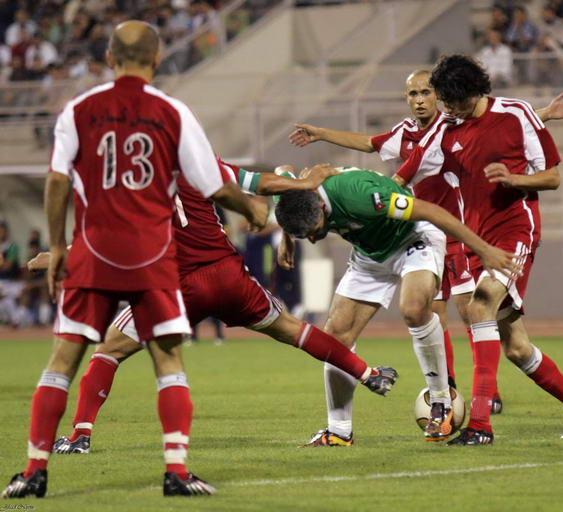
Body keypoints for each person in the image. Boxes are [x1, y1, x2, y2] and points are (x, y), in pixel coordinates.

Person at [2, 20, 270, 500]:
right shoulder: (173, 112)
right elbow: (213, 185)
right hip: (151, 257)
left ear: (109, 58)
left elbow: (57, 181)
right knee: (167, 359)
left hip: (94, 252)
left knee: (63, 358)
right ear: (157, 58)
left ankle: (33, 471)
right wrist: (251, 208)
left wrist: (60, 247)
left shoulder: (78, 110)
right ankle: (176, 471)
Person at [27, 161, 398, 458]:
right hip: (228, 277)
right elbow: (258, 183)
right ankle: (368, 373)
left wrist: (57, 257)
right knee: (292, 329)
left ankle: (79, 436)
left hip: (177, 288)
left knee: (108, 352)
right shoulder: (197, 162)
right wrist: (303, 183)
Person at [275, 168, 519, 444]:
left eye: (314, 231)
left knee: (414, 308)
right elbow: (283, 178)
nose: (311, 238)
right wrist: (287, 239)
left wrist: (484, 249)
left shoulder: (361, 195)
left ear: (320, 205)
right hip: (369, 254)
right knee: (335, 336)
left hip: (413, 239)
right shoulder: (291, 196)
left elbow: (431, 212)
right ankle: (339, 431)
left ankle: (441, 401)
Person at [396, 54, 563, 446]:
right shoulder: (448, 125)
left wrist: (513, 178)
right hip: (477, 240)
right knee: (517, 349)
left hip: (515, 231)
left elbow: (552, 177)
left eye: (452, 101)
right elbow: (408, 169)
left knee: (480, 306)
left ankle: (481, 426)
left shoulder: (516, 114)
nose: (447, 109)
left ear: (473, 92)